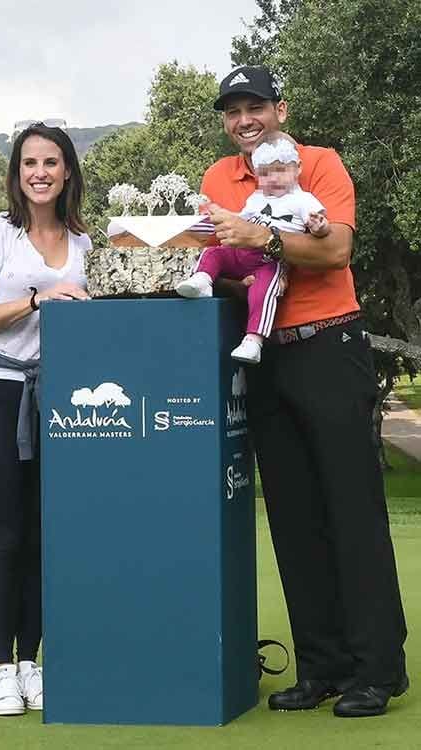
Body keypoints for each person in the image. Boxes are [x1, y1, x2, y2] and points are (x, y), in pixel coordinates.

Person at [201, 65, 408, 717]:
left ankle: (378, 670)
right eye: (233, 111)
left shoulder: (319, 164)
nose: (244, 120)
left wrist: (262, 237)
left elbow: (337, 250)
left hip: (328, 343)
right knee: (293, 517)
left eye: (254, 107)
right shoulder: (216, 180)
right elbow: (230, 269)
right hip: (267, 359)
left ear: (280, 111)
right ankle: (321, 667)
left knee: (352, 511)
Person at [0, 123, 91, 716]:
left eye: (51, 162)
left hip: (60, 404)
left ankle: (33, 663)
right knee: (7, 538)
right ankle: (1, 670)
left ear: (67, 172)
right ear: (18, 172)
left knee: (43, 541)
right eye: (29, 162)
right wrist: (38, 299)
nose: (40, 172)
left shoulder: (85, 243)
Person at [176, 132, 329, 364]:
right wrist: (218, 213)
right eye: (265, 173)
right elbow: (240, 220)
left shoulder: (303, 200)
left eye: (281, 170)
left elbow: (321, 228)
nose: (273, 178)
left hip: (269, 258)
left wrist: (319, 227)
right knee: (214, 252)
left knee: (264, 290)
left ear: (297, 169)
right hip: (241, 252)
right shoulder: (256, 198)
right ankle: (202, 280)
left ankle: (253, 339)